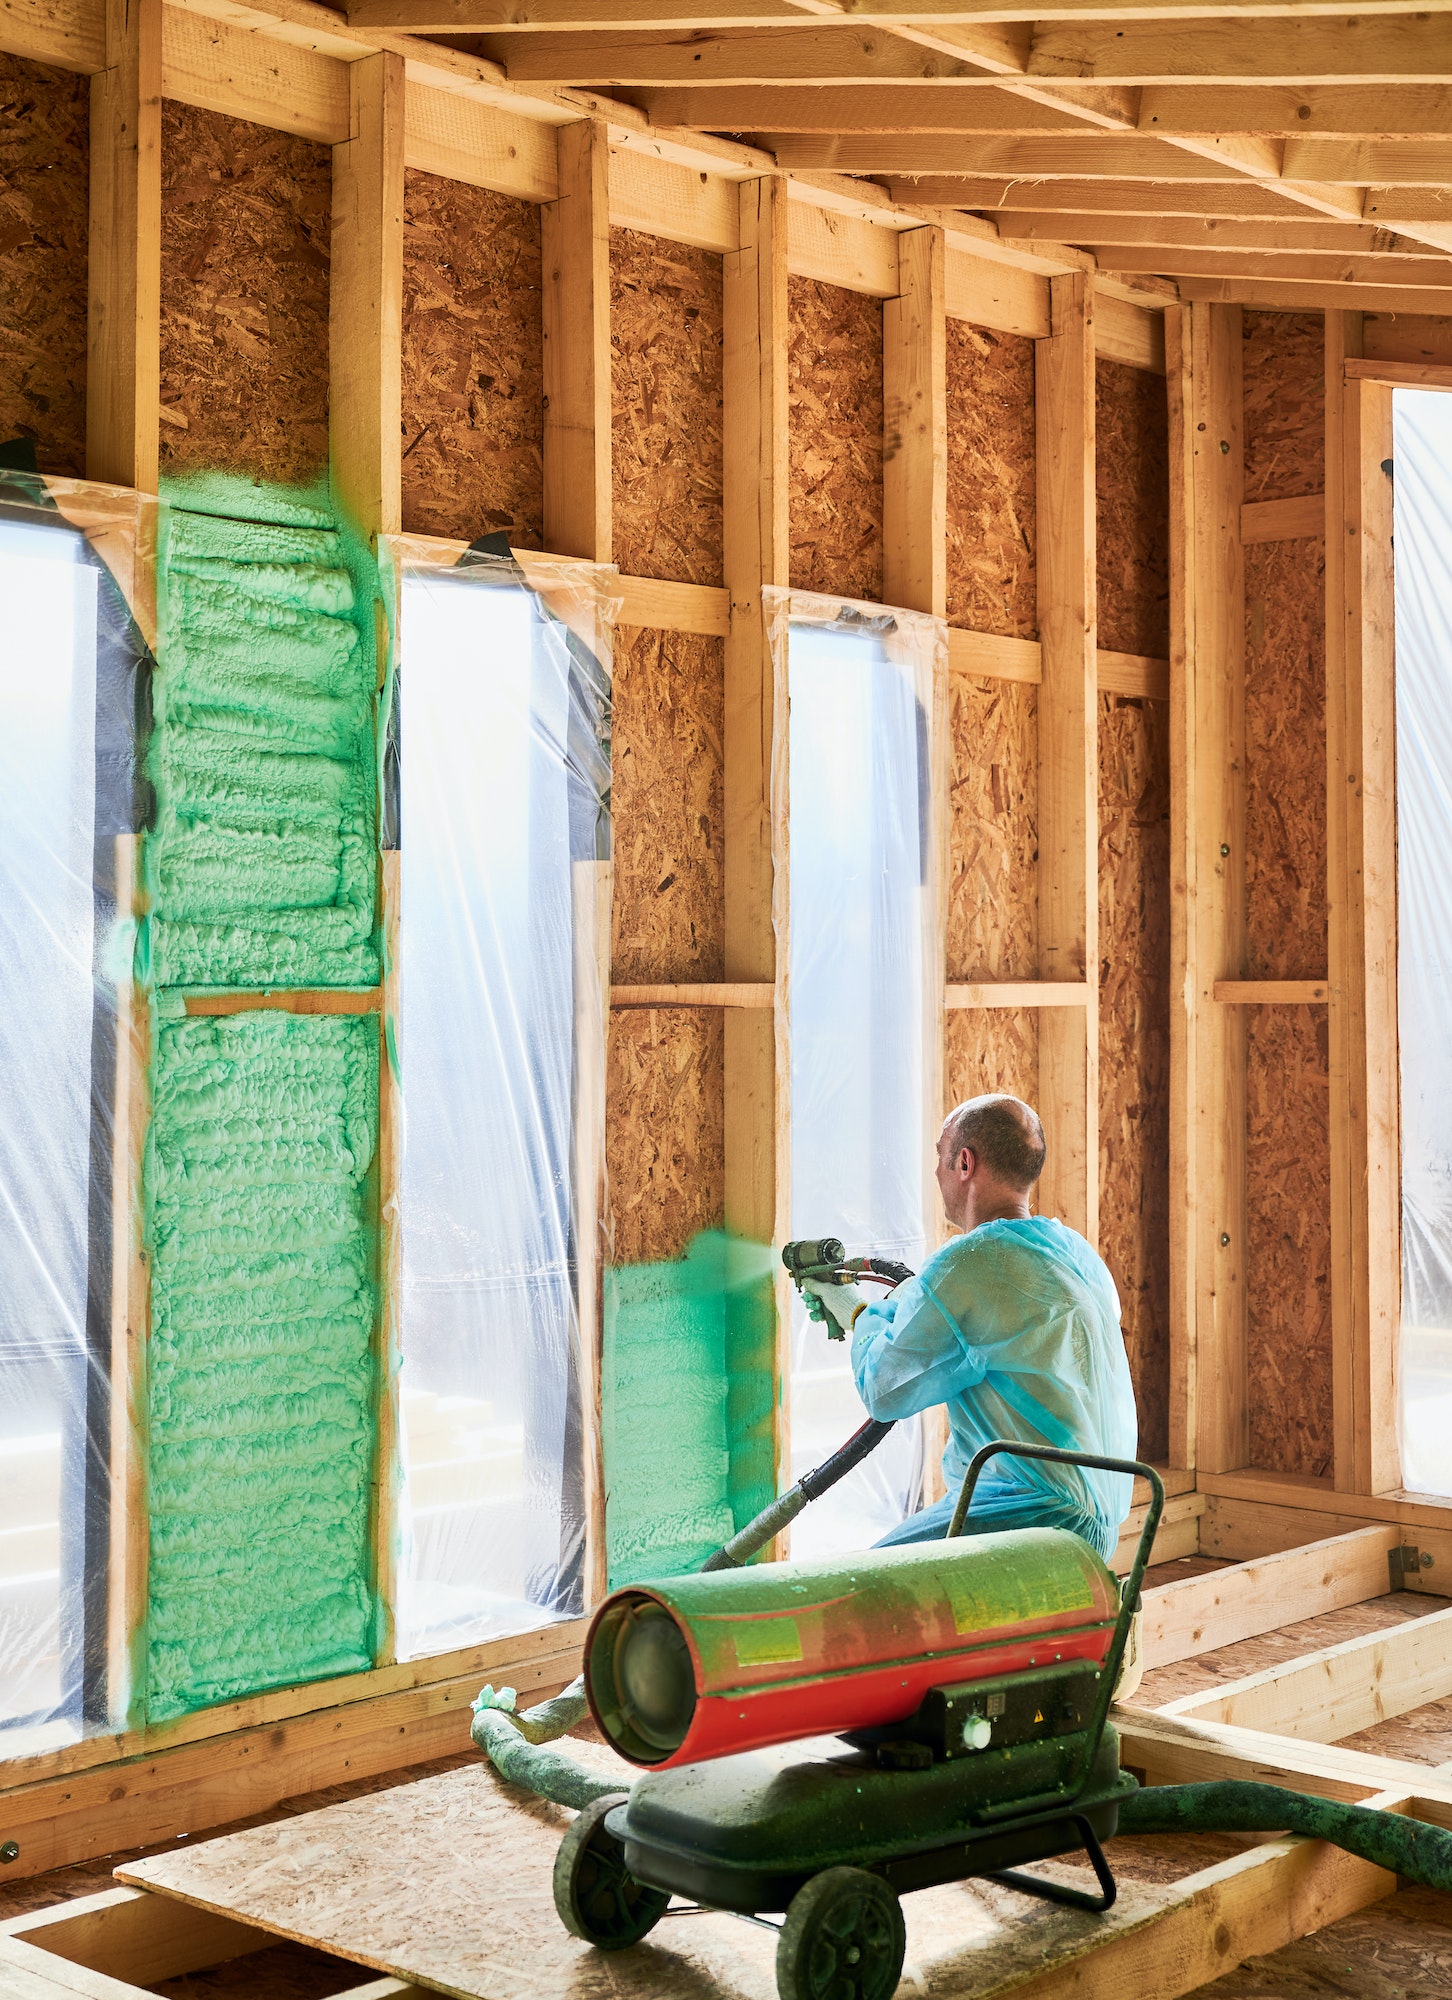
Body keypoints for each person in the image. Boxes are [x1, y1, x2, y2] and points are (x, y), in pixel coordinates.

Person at [802, 1093, 1138, 1562]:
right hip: (1099, 1532)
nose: (936, 1172)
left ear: (964, 1163)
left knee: (852, 1588)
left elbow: (885, 1390)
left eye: (940, 1157)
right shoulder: (1076, 1253)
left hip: (1029, 1523)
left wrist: (855, 1312)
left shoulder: (973, 1262)